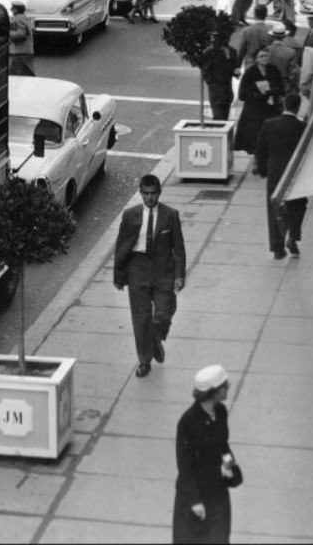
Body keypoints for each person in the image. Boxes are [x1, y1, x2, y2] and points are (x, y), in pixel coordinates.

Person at [113, 173, 186, 378]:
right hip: (138, 268)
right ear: (140, 193)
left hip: (163, 270)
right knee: (140, 319)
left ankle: (155, 338)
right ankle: (144, 360)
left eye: (153, 193)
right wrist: (119, 276)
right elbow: (121, 247)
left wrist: (179, 275)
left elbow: (179, 248)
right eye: (145, 194)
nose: (149, 198)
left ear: (159, 193)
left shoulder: (170, 215)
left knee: (165, 311)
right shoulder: (130, 215)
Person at [172, 364, 241, 544]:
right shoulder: (187, 423)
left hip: (218, 493)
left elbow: (222, 445)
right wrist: (195, 502)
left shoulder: (220, 412)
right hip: (196, 498)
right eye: (225, 385)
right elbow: (184, 466)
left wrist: (229, 467)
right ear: (215, 392)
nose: (229, 387)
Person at [254, 93, 307, 259]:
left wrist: (262, 170)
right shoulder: (302, 127)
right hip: (295, 173)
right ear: (298, 107)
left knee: (275, 208)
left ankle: (277, 247)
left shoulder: (269, 124)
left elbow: (260, 150)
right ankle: (293, 236)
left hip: (275, 172)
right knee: (298, 205)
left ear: (284, 105)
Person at [234, 46, 284, 155]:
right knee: (254, 142)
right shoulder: (250, 72)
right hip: (254, 112)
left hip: (271, 110)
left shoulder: (274, 70)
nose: (265, 58)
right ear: (256, 59)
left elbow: (281, 89)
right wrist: (257, 94)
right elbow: (242, 95)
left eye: (266, 56)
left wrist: (271, 92)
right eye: (261, 56)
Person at [200, 30, 239, 121]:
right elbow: (205, 71)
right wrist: (212, 83)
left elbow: (232, 67)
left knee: (225, 117)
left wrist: (235, 72)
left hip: (227, 90)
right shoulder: (210, 52)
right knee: (218, 117)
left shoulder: (232, 51)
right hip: (216, 90)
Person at [266, 21, 300, 96]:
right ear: (284, 36)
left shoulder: (265, 51)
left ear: (272, 36)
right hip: (284, 84)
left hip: (268, 84)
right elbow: (293, 74)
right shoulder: (291, 52)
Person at [236, 4, 273, 71]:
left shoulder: (246, 31)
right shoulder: (270, 32)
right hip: (264, 66)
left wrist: (238, 67)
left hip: (250, 66)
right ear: (266, 15)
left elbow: (241, 50)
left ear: (255, 15)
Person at [8, 0, 35, 75]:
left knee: (14, 74)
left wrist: (8, 33)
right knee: (26, 72)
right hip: (26, 50)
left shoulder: (18, 18)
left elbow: (21, 34)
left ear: (17, 9)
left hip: (21, 51)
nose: (11, 9)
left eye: (13, 8)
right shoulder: (23, 17)